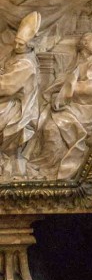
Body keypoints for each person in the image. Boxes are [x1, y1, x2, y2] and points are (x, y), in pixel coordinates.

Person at [31, 32, 92, 180]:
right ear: (84, 44)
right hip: (71, 103)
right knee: (40, 120)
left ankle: (52, 167)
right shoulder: (79, 60)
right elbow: (68, 77)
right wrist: (58, 87)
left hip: (84, 107)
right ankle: (46, 163)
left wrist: (64, 91)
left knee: (51, 128)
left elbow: (89, 88)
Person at [0, 12, 41, 178]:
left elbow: (6, 87)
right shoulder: (18, 55)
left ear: (29, 44)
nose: (16, 46)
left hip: (18, 108)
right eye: (16, 42)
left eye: (21, 44)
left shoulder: (26, 64)